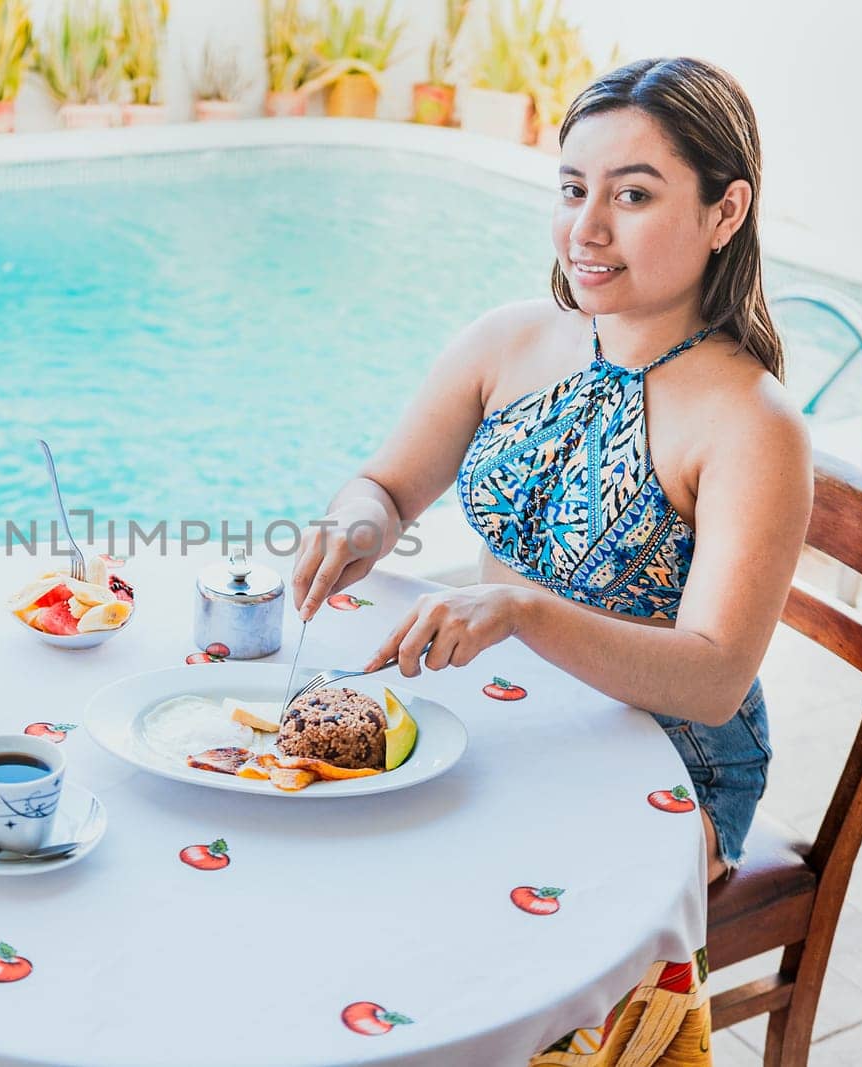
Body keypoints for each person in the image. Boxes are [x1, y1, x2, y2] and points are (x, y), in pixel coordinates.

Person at [290, 57, 813, 883]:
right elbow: (386, 487)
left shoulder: (753, 424)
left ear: (726, 211)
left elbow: (714, 678)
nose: (586, 229)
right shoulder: (510, 340)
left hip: (671, 765)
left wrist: (523, 612)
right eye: (574, 190)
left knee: (451, 892)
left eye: (633, 195)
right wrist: (354, 523)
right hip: (508, 705)